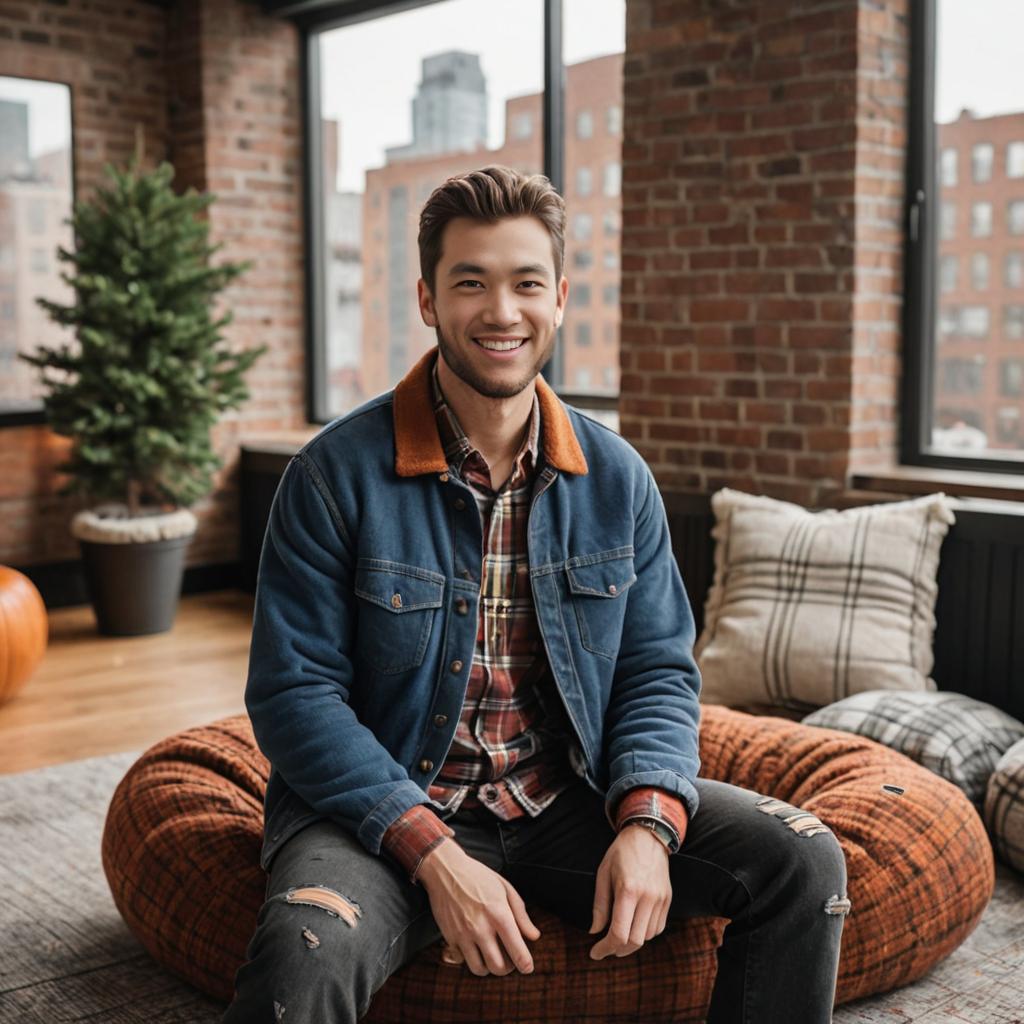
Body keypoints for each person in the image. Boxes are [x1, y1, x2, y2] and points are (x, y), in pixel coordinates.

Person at [223, 165, 849, 1024]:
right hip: (385, 809)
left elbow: (658, 672)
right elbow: (294, 696)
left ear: (558, 297)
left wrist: (649, 825)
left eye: (525, 284)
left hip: (568, 801)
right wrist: (435, 854)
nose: (502, 312)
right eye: (470, 283)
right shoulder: (333, 476)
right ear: (427, 300)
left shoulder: (617, 478)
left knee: (806, 863)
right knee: (307, 954)